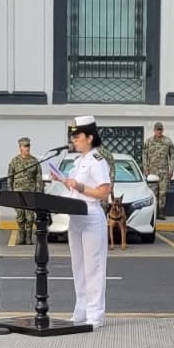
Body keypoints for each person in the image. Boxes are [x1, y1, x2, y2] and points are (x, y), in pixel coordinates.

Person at [52, 115, 112, 329]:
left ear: (90, 137)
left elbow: (104, 192)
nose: (74, 140)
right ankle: (81, 310)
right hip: (75, 217)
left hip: (91, 217)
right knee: (78, 266)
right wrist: (62, 180)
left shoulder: (98, 161)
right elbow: (75, 187)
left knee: (93, 267)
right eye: (73, 136)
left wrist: (79, 187)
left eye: (77, 136)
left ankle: (95, 315)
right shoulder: (78, 162)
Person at [5, 136, 44, 246]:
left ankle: (28, 238)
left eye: (28, 146)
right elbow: (9, 178)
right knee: (20, 216)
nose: (27, 148)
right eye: (25, 146)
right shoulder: (14, 161)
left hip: (30, 194)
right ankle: (21, 237)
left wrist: (38, 192)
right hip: (18, 194)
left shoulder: (34, 161)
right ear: (20, 147)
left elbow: (38, 178)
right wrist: (10, 192)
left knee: (30, 217)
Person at [142, 121, 174, 220]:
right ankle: (153, 212)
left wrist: (171, 169)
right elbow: (144, 155)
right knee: (153, 193)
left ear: (162, 130)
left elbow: (172, 157)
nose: (159, 132)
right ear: (154, 130)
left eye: (160, 130)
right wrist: (145, 168)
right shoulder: (148, 141)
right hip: (152, 172)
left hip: (164, 172)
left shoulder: (168, 142)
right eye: (157, 130)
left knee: (163, 193)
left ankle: (160, 212)